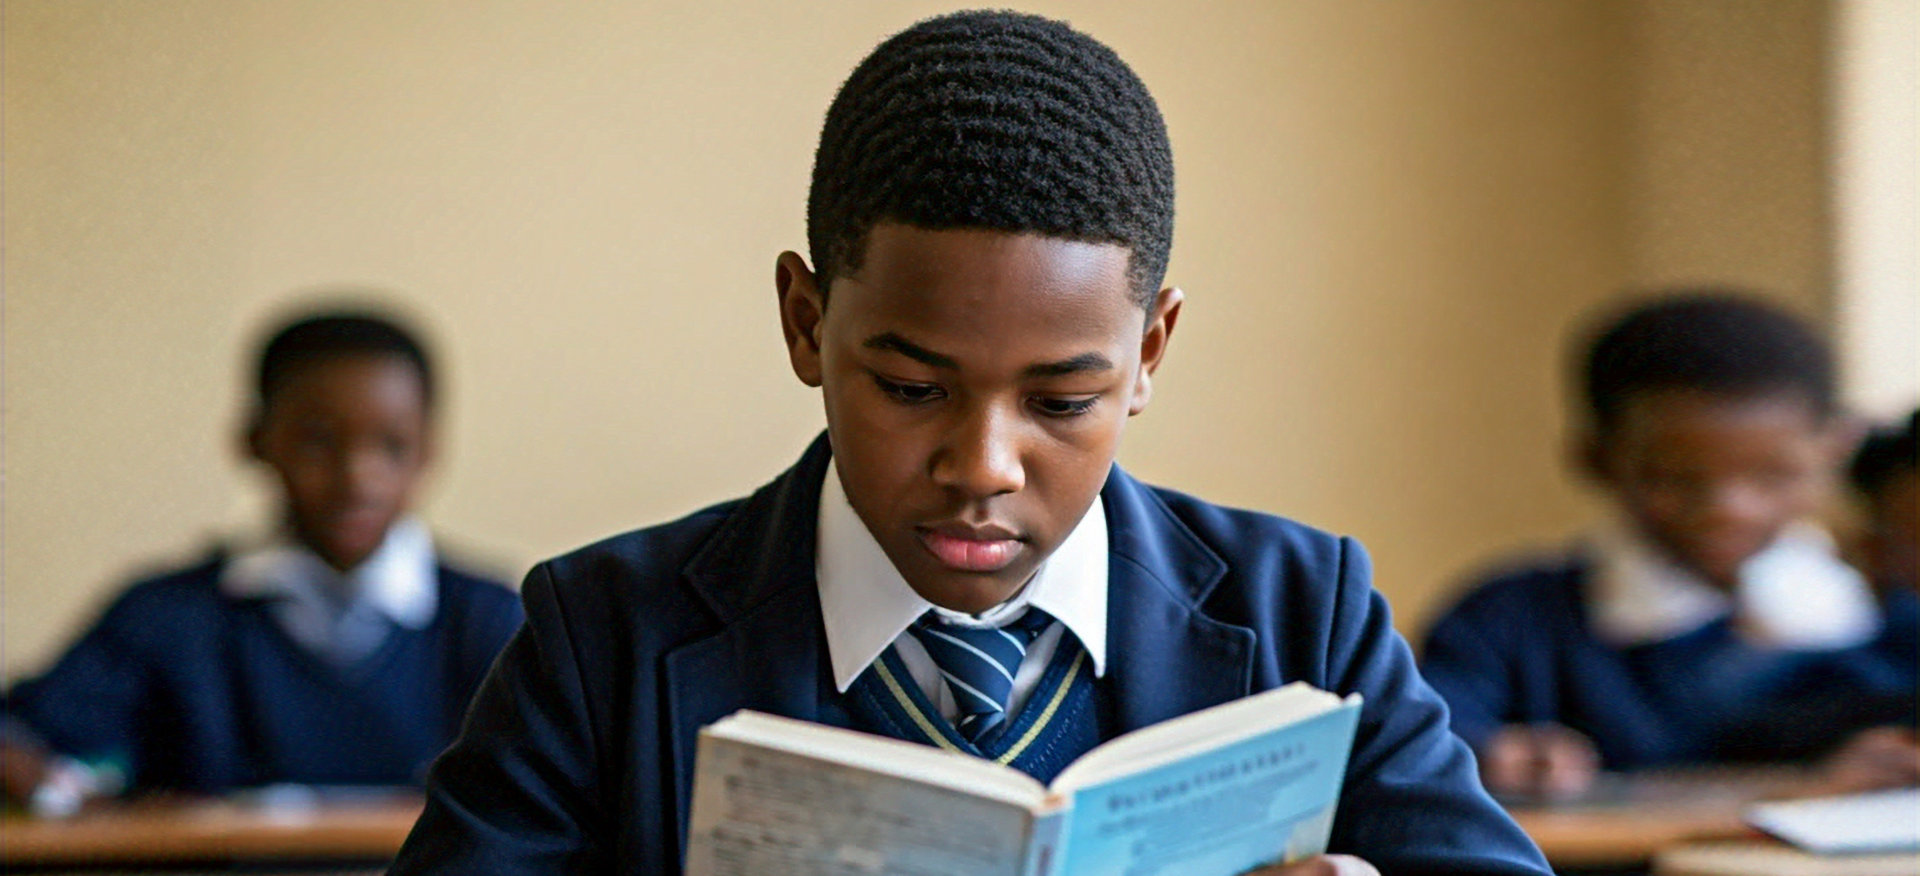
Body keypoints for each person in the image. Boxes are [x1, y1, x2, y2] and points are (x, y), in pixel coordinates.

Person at [390, 11, 1550, 875]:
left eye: (1059, 403)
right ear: (805, 321)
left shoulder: (1304, 612)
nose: (983, 467)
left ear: (1150, 351)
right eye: (908, 385)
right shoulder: (602, 638)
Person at [0, 310, 523, 813]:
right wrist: (61, 796)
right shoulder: (168, 618)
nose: (357, 479)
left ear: (430, 449)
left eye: (392, 445)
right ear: (254, 440)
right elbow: (19, 738)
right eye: (318, 441)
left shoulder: (489, 620)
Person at [1422, 293, 1907, 800]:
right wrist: (1493, 756)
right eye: (1675, 479)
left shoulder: (1886, 611)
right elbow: (1423, 747)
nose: (1728, 507)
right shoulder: (1509, 623)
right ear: (1596, 459)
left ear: (1836, 449)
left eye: (1773, 475)